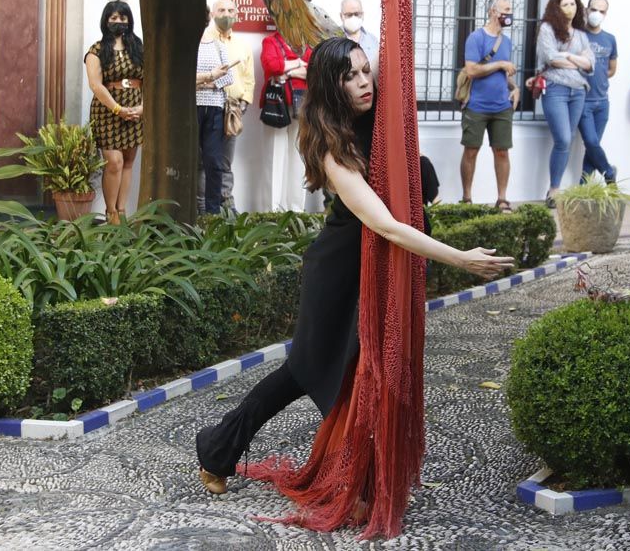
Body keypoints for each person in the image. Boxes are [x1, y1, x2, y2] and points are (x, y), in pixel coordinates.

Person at [196, 37, 513, 521]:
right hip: (337, 275)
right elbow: (384, 223)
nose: (364, 83)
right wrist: (461, 260)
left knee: (363, 373)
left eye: (367, 71)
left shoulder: (383, 125)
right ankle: (219, 450)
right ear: (330, 84)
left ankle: (359, 478)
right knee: (308, 372)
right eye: (350, 76)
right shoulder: (330, 145)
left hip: (376, 269)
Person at [84, 0, 144, 224]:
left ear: (129, 20)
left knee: (128, 162)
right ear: (106, 20)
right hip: (107, 112)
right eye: (114, 17)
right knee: (114, 162)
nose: (119, 21)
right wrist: (118, 109)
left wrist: (142, 108)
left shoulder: (138, 47)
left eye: (123, 17)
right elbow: (96, 85)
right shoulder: (97, 50)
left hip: (136, 111)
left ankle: (122, 209)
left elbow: (149, 80)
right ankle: (111, 213)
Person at [535, 0, 594, 208]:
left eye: (573, 4)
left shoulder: (581, 34)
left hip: (578, 91)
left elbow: (591, 65)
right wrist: (576, 60)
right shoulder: (547, 29)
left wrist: (568, 57)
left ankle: (556, 189)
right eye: (565, 5)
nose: (570, 8)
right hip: (556, 88)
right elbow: (549, 57)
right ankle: (554, 190)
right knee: (563, 139)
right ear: (556, 7)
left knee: (566, 141)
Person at [460, 0, 518, 212]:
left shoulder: (507, 41)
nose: (509, 14)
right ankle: (467, 198)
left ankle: (502, 198)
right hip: (476, 105)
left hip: (502, 106)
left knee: (502, 151)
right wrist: (500, 63)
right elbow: (472, 70)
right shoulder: (476, 38)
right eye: (506, 9)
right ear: (493, 11)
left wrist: (515, 87)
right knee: (471, 151)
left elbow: (503, 74)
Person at [199, 0, 256, 213]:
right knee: (204, 161)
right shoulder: (205, 39)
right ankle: (202, 205)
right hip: (208, 105)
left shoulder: (242, 46)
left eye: (231, 10)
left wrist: (244, 102)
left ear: (237, 13)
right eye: (221, 10)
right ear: (212, 14)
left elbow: (248, 78)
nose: (226, 14)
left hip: (232, 110)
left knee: (224, 161)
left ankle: (226, 203)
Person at [260, 30, 315, 211]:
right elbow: (271, 66)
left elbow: (314, 70)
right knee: (274, 155)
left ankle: (296, 208)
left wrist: (286, 71)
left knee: (300, 156)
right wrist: (299, 64)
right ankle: (272, 208)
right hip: (278, 104)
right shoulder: (271, 41)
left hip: (303, 105)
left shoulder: (308, 43)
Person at [196, 6, 236, 214]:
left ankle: (212, 211)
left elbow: (229, 76)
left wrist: (206, 82)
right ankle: (191, 209)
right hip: (192, 108)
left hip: (215, 109)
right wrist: (211, 76)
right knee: (192, 160)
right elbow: (184, 79)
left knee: (214, 160)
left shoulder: (218, 45)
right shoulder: (187, 46)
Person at [580, 0, 617, 184]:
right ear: (586, 10)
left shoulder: (610, 39)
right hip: (583, 101)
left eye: (601, 11)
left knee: (592, 147)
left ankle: (582, 186)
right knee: (592, 142)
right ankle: (609, 173)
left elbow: (611, 69)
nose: (597, 14)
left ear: (606, 14)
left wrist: (599, 78)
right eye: (594, 9)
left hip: (602, 101)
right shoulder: (578, 35)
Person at [340, 0, 378, 75]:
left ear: (363, 15)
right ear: (341, 16)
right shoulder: (332, 38)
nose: (353, 18)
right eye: (349, 15)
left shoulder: (373, 40)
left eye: (357, 14)